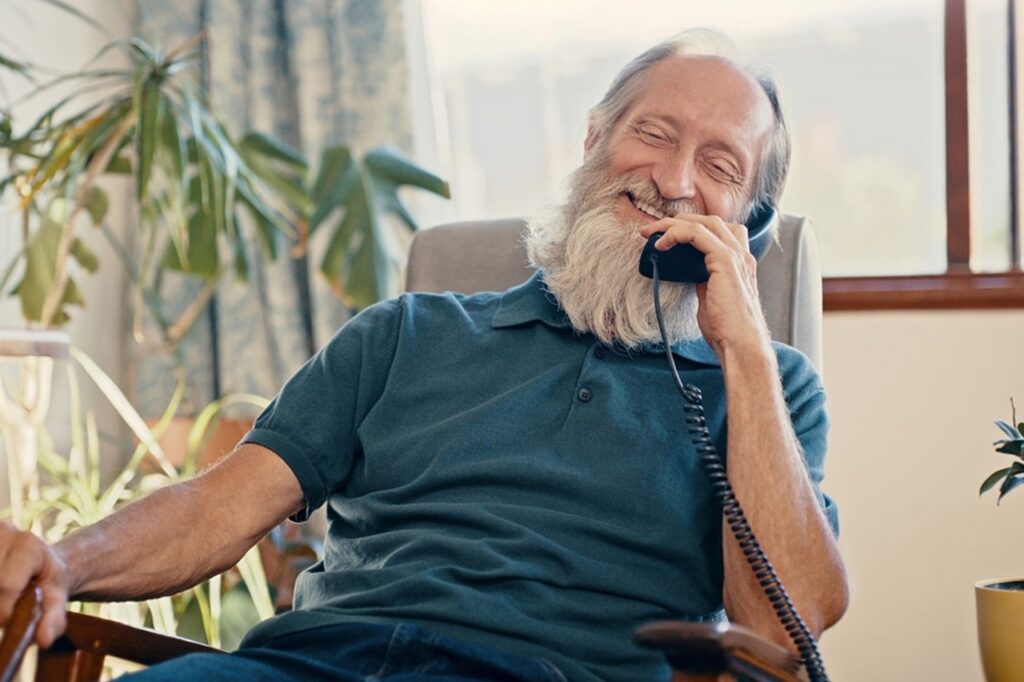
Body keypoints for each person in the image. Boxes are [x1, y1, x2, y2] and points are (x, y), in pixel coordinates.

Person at [0, 30, 848, 681]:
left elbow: (782, 630)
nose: (674, 179)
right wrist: (63, 564)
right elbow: (216, 510)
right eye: (653, 134)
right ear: (594, 144)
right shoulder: (406, 333)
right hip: (311, 665)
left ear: (750, 224)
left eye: (720, 164)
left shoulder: (769, 392)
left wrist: (742, 351)